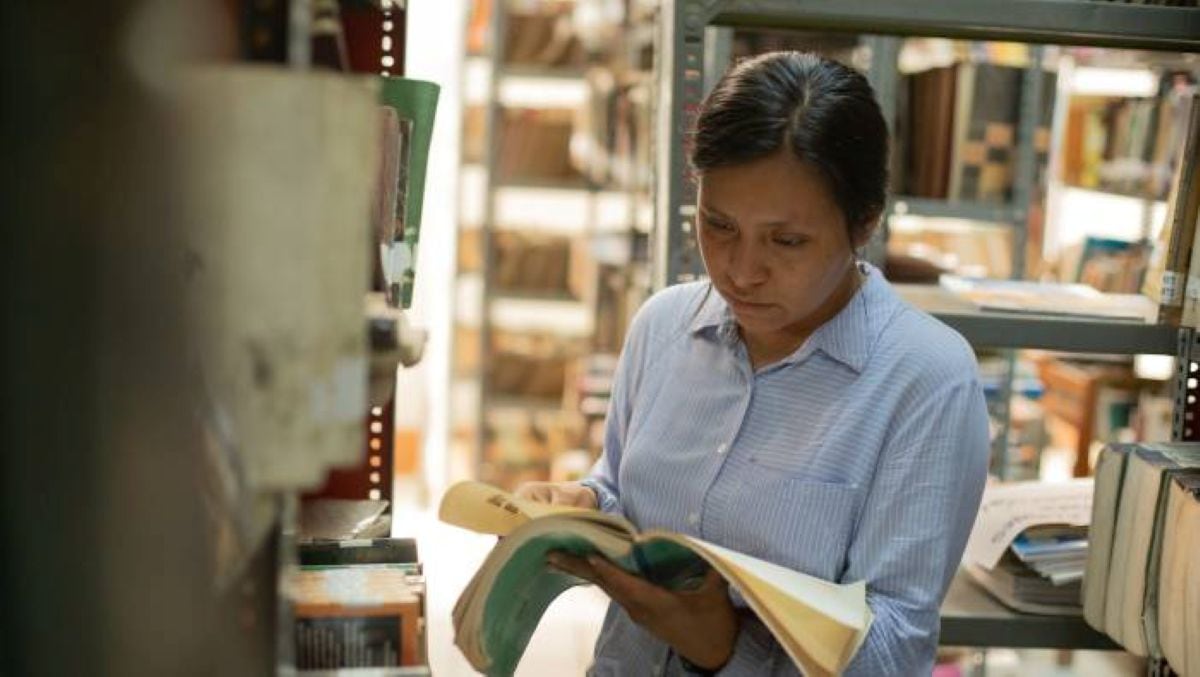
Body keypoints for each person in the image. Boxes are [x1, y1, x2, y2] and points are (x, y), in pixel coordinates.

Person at [516, 51, 990, 676]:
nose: (740, 271)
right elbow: (623, 491)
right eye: (717, 225)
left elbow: (895, 648)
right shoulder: (665, 325)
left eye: (786, 241)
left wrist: (724, 648)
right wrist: (583, 503)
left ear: (864, 224)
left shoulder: (926, 380)